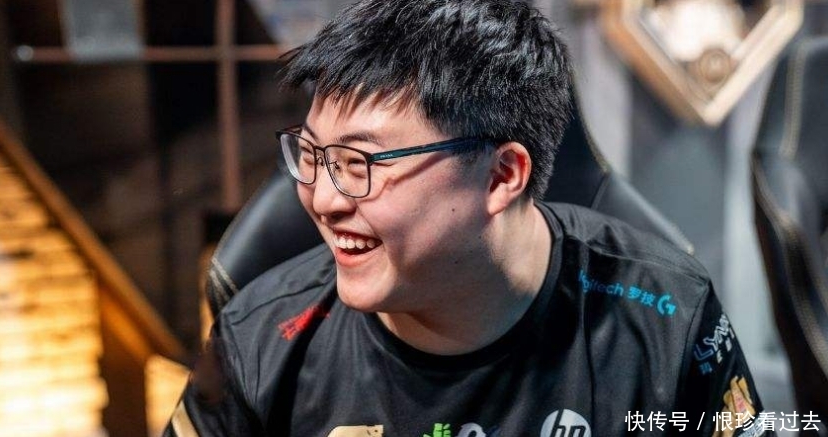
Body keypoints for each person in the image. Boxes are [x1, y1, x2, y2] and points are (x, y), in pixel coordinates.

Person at [166, 1, 773, 436]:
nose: (323, 200)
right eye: (312, 155)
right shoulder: (260, 341)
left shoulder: (663, 316)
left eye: (360, 164)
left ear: (502, 176)